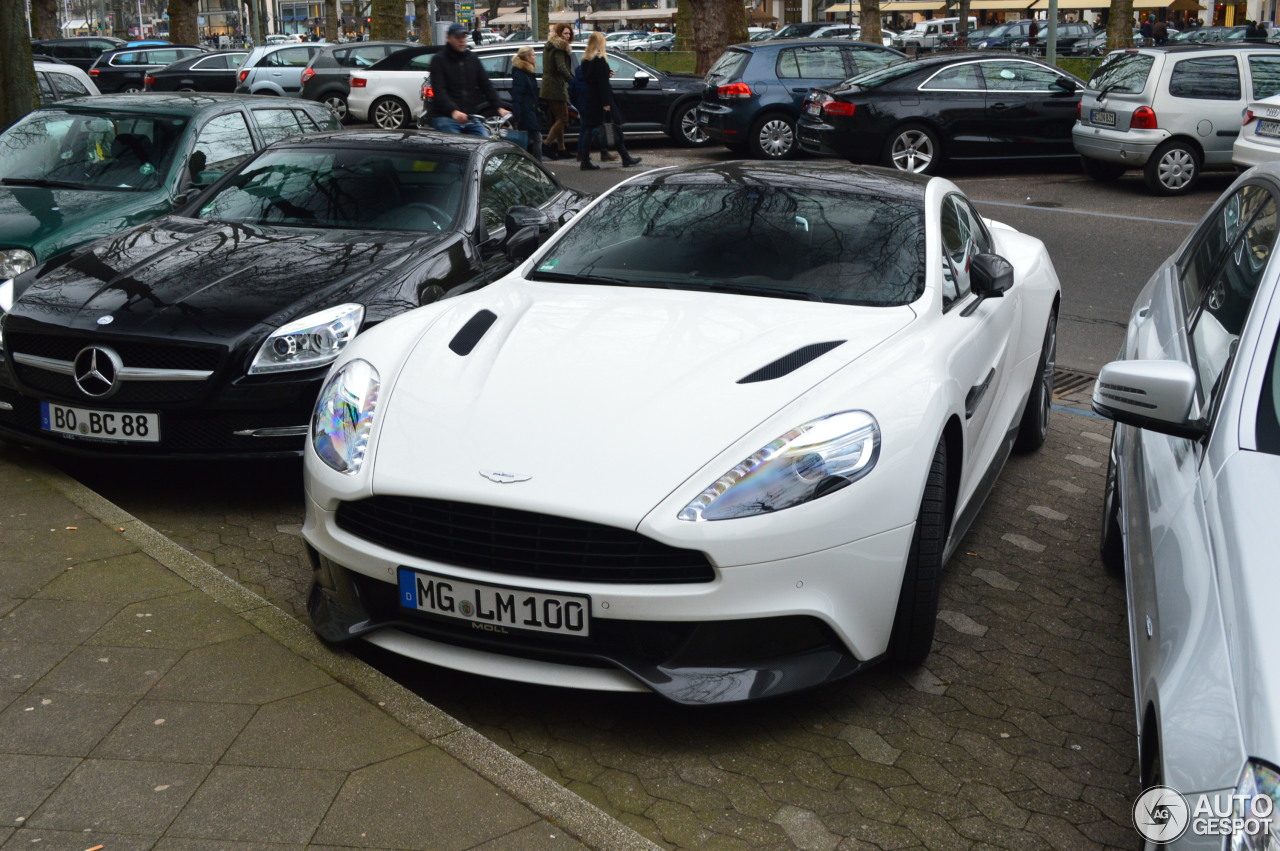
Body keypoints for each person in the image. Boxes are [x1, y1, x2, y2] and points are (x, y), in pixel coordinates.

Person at [427, 23, 510, 136]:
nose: (461, 40)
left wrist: (499, 107)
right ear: (448, 38)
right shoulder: (439, 60)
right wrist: (453, 111)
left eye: (464, 37)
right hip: (445, 117)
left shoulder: (472, 58)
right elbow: (439, 90)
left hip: (469, 117)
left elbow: (486, 85)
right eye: (457, 37)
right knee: (457, 145)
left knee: (484, 143)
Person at [577, 32, 641, 170]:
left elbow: (592, 78)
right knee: (613, 125)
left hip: (591, 97)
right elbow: (602, 83)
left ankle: (585, 160)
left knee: (589, 129)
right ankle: (625, 157)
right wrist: (606, 103)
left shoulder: (586, 59)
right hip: (601, 99)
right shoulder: (599, 59)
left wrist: (606, 74)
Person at [539, 23, 574, 160]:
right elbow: (561, 68)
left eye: (569, 33)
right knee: (563, 118)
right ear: (559, 34)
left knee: (559, 118)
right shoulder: (559, 48)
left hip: (550, 85)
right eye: (565, 33)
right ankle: (546, 145)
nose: (567, 36)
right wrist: (572, 81)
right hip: (555, 86)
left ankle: (561, 148)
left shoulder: (549, 45)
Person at [510, 45, 544, 161]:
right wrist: (518, 117)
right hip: (525, 110)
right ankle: (539, 165)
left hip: (531, 109)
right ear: (527, 57)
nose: (535, 57)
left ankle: (529, 164)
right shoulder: (520, 73)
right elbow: (517, 95)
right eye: (533, 55)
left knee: (530, 138)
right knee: (537, 138)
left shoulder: (528, 71)